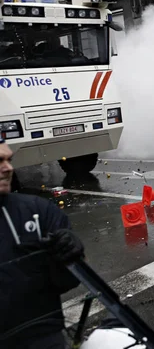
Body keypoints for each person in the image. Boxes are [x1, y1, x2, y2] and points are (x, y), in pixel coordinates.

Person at [0, 138, 85, 349]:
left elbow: (69, 280)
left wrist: (73, 256)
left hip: (42, 337)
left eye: (9, 160)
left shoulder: (38, 211)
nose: (8, 168)